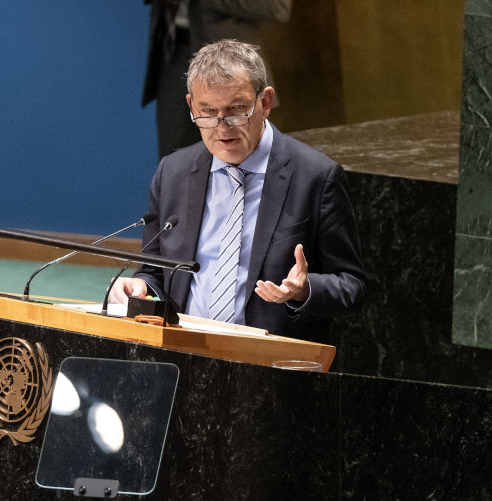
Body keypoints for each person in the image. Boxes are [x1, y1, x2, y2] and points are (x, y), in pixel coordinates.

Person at [112, 39, 366, 341]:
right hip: (183, 349)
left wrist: (305, 289)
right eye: (208, 111)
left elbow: (352, 285)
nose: (222, 127)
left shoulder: (316, 177)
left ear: (265, 102)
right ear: (191, 105)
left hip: (268, 360)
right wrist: (141, 285)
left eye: (237, 110)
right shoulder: (174, 172)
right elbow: (154, 271)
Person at [143, 0, 292, 158]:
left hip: (234, 67)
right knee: (175, 169)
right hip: (173, 53)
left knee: (246, 168)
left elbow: (277, 7)